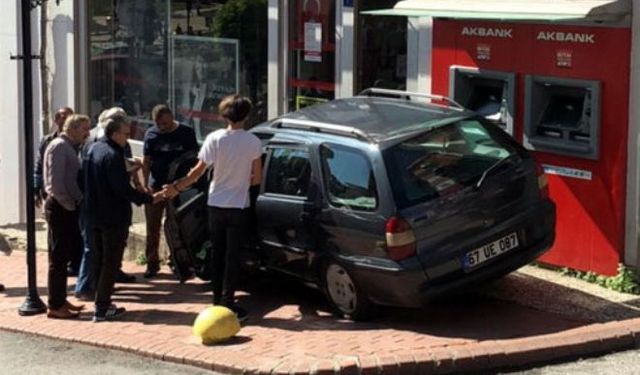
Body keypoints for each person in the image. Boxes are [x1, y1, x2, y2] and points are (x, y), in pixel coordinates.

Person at [163, 95, 262, 322]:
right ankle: (229, 302)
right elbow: (257, 179)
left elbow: (197, 172)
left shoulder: (214, 139)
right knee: (232, 255)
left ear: (224, 115)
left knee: (216, 252)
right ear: (246, 116)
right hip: (239, 205)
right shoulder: (253, 142)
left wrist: (176, 187)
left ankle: (216, 300)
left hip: (215, 203)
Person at [83, 115, 162, 322]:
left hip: (94, 214)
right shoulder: (112, 154)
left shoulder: (94, 148)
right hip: (112, 217)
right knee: (110, 261)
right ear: (115, 133)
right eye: (126, 135)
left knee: (99, 260)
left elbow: (85, 178)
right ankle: (102, 306)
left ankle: (100, 302)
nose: (128, 139)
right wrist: (148, 198)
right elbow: (121, 189)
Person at [74, 108, 142, 302]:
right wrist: (144, 198)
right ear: (111, 128)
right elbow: (113, 178)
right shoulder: (98, 145)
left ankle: (100, 290)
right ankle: (89, 290)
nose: (128, 137)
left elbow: (119, 169)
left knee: (104, 254)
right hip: (104, 210)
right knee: (97, 253)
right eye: (125, 132)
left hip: (98, 208)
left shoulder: (109, 146)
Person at [42, 114, 91, 319]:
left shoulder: (70, 146)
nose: (87, 133)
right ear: (72, 128)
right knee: (58, 257)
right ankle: (55, 304)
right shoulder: (60, 147)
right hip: (60, 207)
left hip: (68, 206)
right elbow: (56, 184)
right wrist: (71, 204)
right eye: (84, 129)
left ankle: (60, 299)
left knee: (64, 256)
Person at [142, 105, 198, 278]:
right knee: (153, 226)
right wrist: (145, 185)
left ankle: (176, 260)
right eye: (159, 124)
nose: (162, 127)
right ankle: (152, 263)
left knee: (176, 225)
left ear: (172, 118)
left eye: (165, 123)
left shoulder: (186, 132)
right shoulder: (151, 134)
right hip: (156, 186)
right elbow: (146, 160)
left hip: (178, 187)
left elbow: (194, 157)